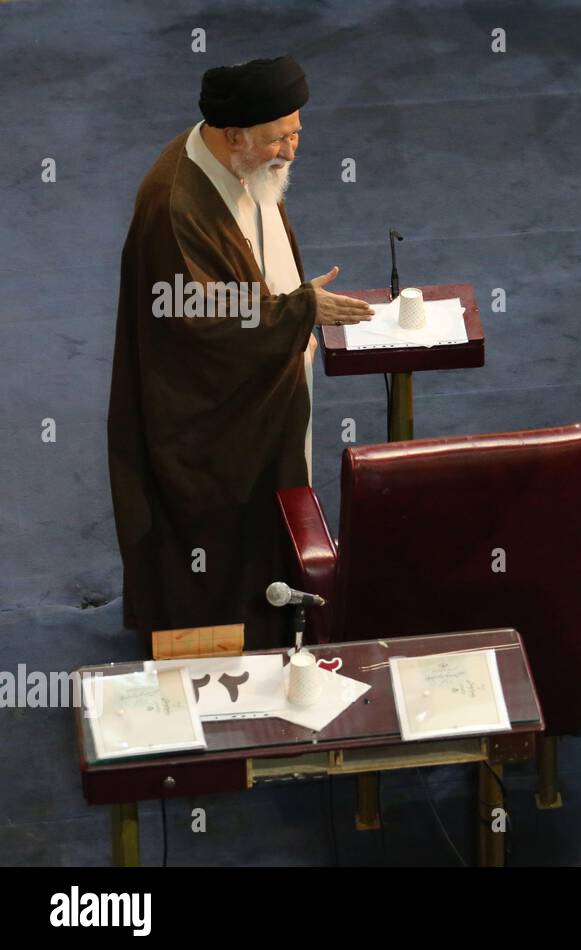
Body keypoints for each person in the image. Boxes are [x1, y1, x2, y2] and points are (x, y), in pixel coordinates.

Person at [107, 55, 373, 649]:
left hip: (271, 380)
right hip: (209, 414)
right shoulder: (177, 206)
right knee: (220, 532)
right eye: (280, 138)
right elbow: (202, 323)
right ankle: (215, 647)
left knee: (269, 520)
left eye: (297, 133)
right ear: (234, 136)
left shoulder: (246, 168)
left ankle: (273, 618)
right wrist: (301, 310)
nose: (292, 151)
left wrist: (296, 309)